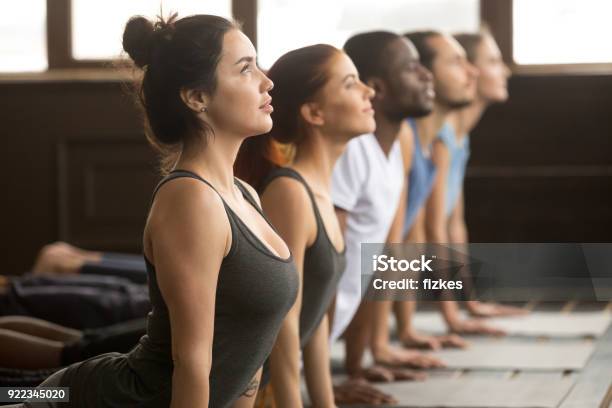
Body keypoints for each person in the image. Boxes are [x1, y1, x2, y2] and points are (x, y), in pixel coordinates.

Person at [27, 13, 298, 407]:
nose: (267, 80)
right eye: (245, 69)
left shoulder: (244, 195)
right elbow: (191, 363)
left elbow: (248, 360)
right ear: (196, 97)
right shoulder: (191, 199)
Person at [236, 43, 399, 407]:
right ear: (314, 112)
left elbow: (316, 320)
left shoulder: (321, 193)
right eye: (350, 84)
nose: (369, 91)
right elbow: (284, 322)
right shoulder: (289, 193)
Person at [329, 31, 445, 387]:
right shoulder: (353, 151)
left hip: (321, 348)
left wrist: (355, 368)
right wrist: (324, 391)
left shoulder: (395, 149)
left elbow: (373, 266)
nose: (426, 76)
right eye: (412, 68)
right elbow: (324, 274)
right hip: (292, 355)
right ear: (377, 87)